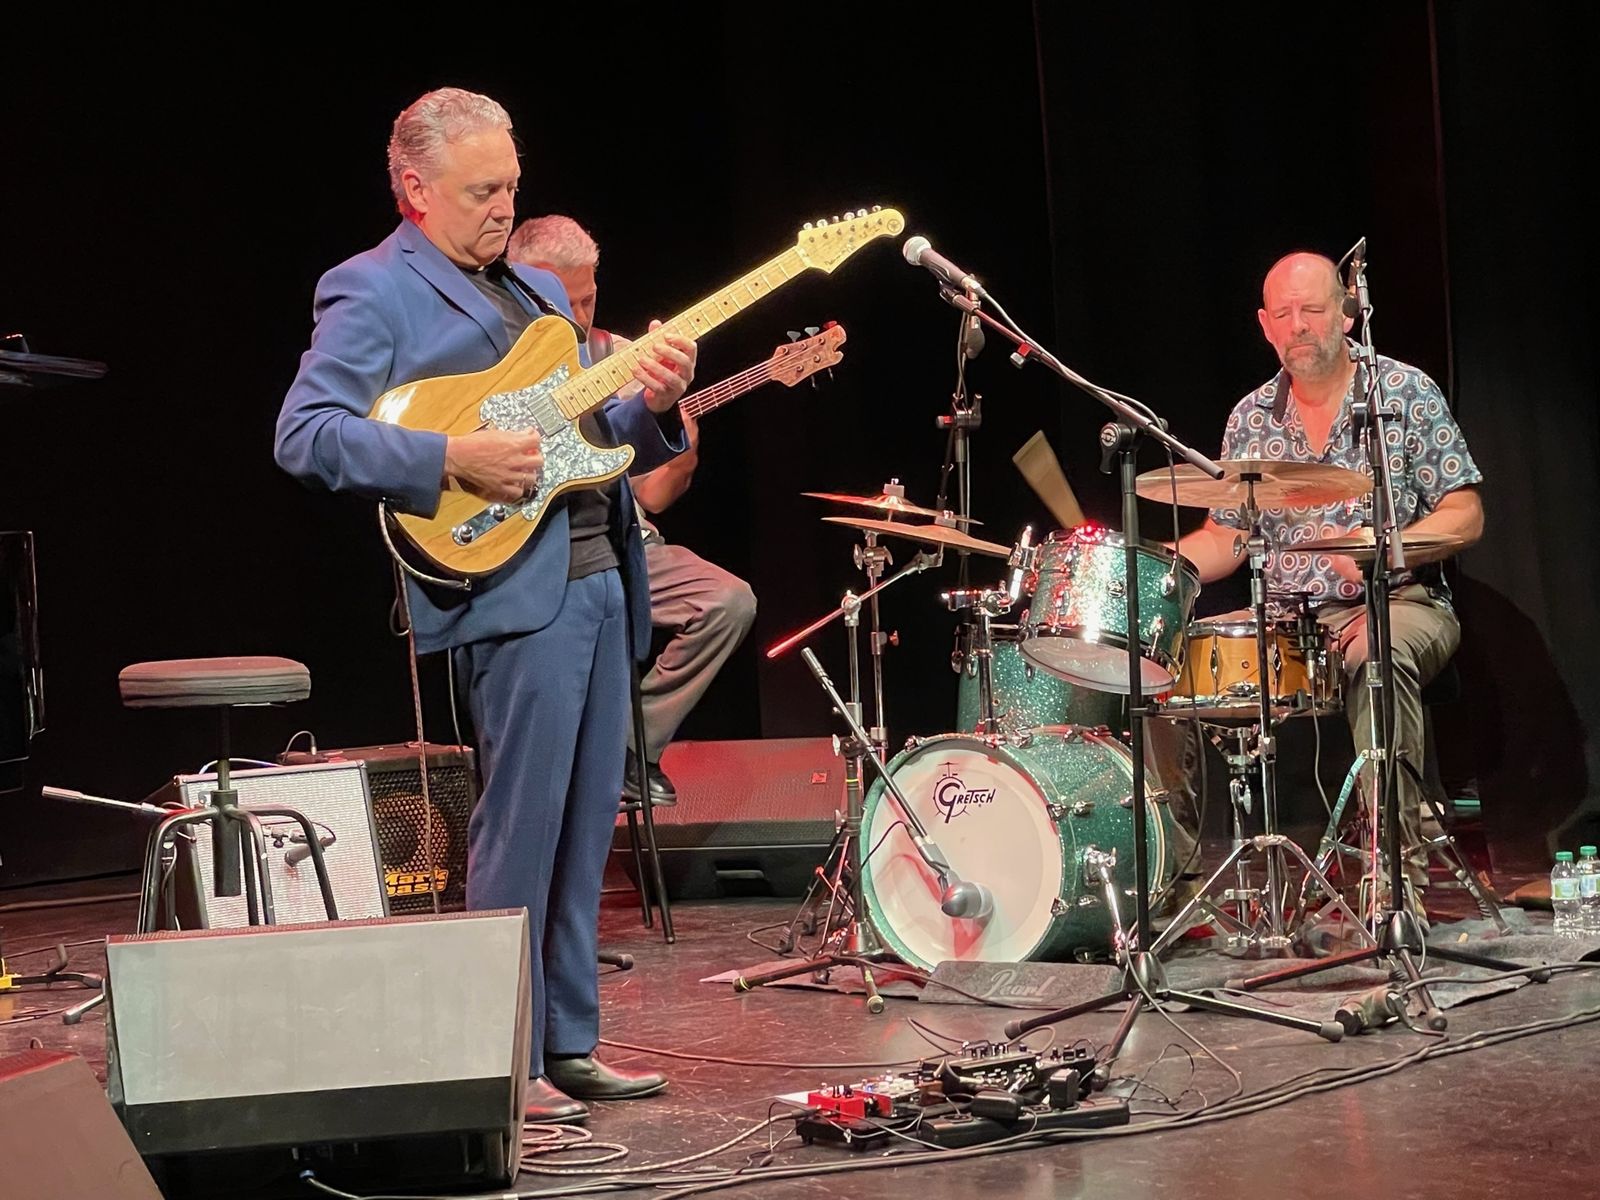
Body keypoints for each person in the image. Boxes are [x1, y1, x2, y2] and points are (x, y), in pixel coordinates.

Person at [274, 88, 698, 1124]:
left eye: (511, 184)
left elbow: (598, 440)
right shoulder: (372, 290)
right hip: (510, 588)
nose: (504, 206)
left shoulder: (537, 292)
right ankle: (498, 1056)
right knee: (523, 821)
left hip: (600, 575)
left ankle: (567, 1040)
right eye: (481, 190)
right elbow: (305, 434)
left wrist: (659, 400)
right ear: (415, 189)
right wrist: (449, 454)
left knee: (588, 816)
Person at [1171, 250, 1483, 893]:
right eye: (1283, 314)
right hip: (1288, 621)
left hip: (1402, 601)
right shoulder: (1249, 417)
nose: (1299, 325)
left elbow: (1466, 514)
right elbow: (1227, 539)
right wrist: (1154, 568)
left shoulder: (1401, 392)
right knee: (1160, 663)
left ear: (1346, 313)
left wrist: (1388, 548)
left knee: (1378, 653)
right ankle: (1179, 872)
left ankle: (1396, 882)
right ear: (1264, 325)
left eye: (1313, 309)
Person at [507, 216, 757, 806]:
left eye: (590, 297)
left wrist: (673, 430)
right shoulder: (504, 367)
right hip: (550, 552)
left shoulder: (618, 357)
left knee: (729, 600)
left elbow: (651, 495)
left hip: (631, 544)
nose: (583, 315)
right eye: (569, 302)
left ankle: (627, 746)